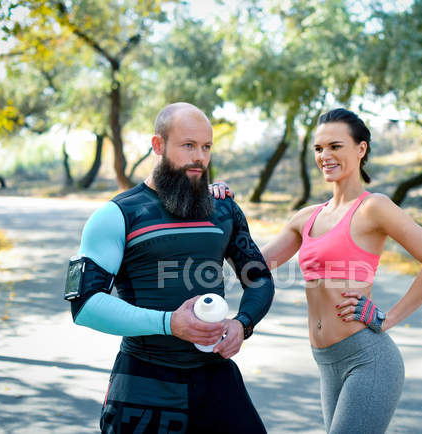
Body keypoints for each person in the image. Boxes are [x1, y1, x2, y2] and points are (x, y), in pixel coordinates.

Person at [213, 108, 422, 433]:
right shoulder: (306, 217)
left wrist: (388, 318)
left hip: (369, 360)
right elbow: (251, 267)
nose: (325, 155)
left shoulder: (375, 208)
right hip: (327, 362)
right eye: (319, 148)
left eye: (335, 146)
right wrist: (222, 208)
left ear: (361, 149)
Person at [64, 102, 274, 433]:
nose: (200, 157)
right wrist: (169, 323)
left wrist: (242, 324)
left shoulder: (224, 210)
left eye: (206, 147)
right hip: (144, 382)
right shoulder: (116, 214)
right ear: (158, 145)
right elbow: (85, 305)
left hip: (217, 379)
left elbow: (259, 279)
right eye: (188, 145)